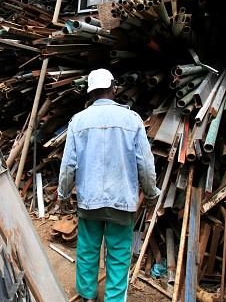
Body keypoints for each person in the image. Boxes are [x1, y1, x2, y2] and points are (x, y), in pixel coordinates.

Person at [57, 68, 160, 302]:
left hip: (89, 201)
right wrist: (151, 192)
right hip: (121, 201)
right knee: (119, 254)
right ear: (114, 88)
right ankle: (114, 299)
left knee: (87, 251)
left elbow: (68, 165)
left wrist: (63, 195)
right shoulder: (132, 119)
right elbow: (145, 164)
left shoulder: (78, 121)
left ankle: (87, 295)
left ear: (90, 93)